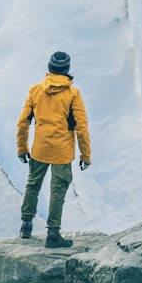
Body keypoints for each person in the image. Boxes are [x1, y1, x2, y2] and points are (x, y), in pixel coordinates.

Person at [15, 50, 91, 247]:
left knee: (33, 185)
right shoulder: (73, 94)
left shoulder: (35, 91)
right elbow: (81, 127)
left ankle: (25, 226)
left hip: (40, 149)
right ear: (67, 70)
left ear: (49, 69)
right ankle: (53, 235)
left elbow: (23, 122)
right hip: (62, 152)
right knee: (57, 192)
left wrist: (22, 148)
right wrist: (85, 154)